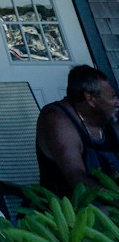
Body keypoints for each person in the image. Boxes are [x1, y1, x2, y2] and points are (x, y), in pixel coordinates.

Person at [36, 65, 119, 197]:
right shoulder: (58, 120)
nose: (117, 102)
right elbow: (77, 179)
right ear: (91, 98)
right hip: (74, 207)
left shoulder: (108, 117)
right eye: (112, 97)